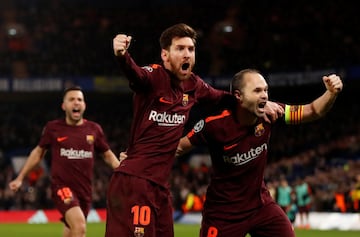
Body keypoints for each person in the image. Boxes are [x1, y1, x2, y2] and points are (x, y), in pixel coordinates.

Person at [107, 23, 283, 237]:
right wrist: (122, 55)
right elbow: (135, 74)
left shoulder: (194, 86)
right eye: (180, 49)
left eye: (190, 49)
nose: (186, 54)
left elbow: (225, 99)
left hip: (160, 187)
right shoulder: (154, 77)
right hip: (135, 182)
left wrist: (261, 103)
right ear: (165, 55)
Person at [176, 69, 343, 237]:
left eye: (265, 90)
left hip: (261, 207)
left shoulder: (271, 113)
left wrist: (331, 93)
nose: (264, 95)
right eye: (257, 91)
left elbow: (312, 111)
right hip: (223, 213)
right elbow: (178, 147)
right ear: (238, 96)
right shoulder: (214, 125)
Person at [9, 86, 120, 237]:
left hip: (85, 191)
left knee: (71, 231)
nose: (76, 102)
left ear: (84, 105)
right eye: (72, 99)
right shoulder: (53, 128)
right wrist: (21, 177)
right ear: (64, 105)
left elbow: (107, 155)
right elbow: (38, 153)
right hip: (62, 187)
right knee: (80, 226)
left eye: (79, 99)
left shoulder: (94, 129)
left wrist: (123, 171)